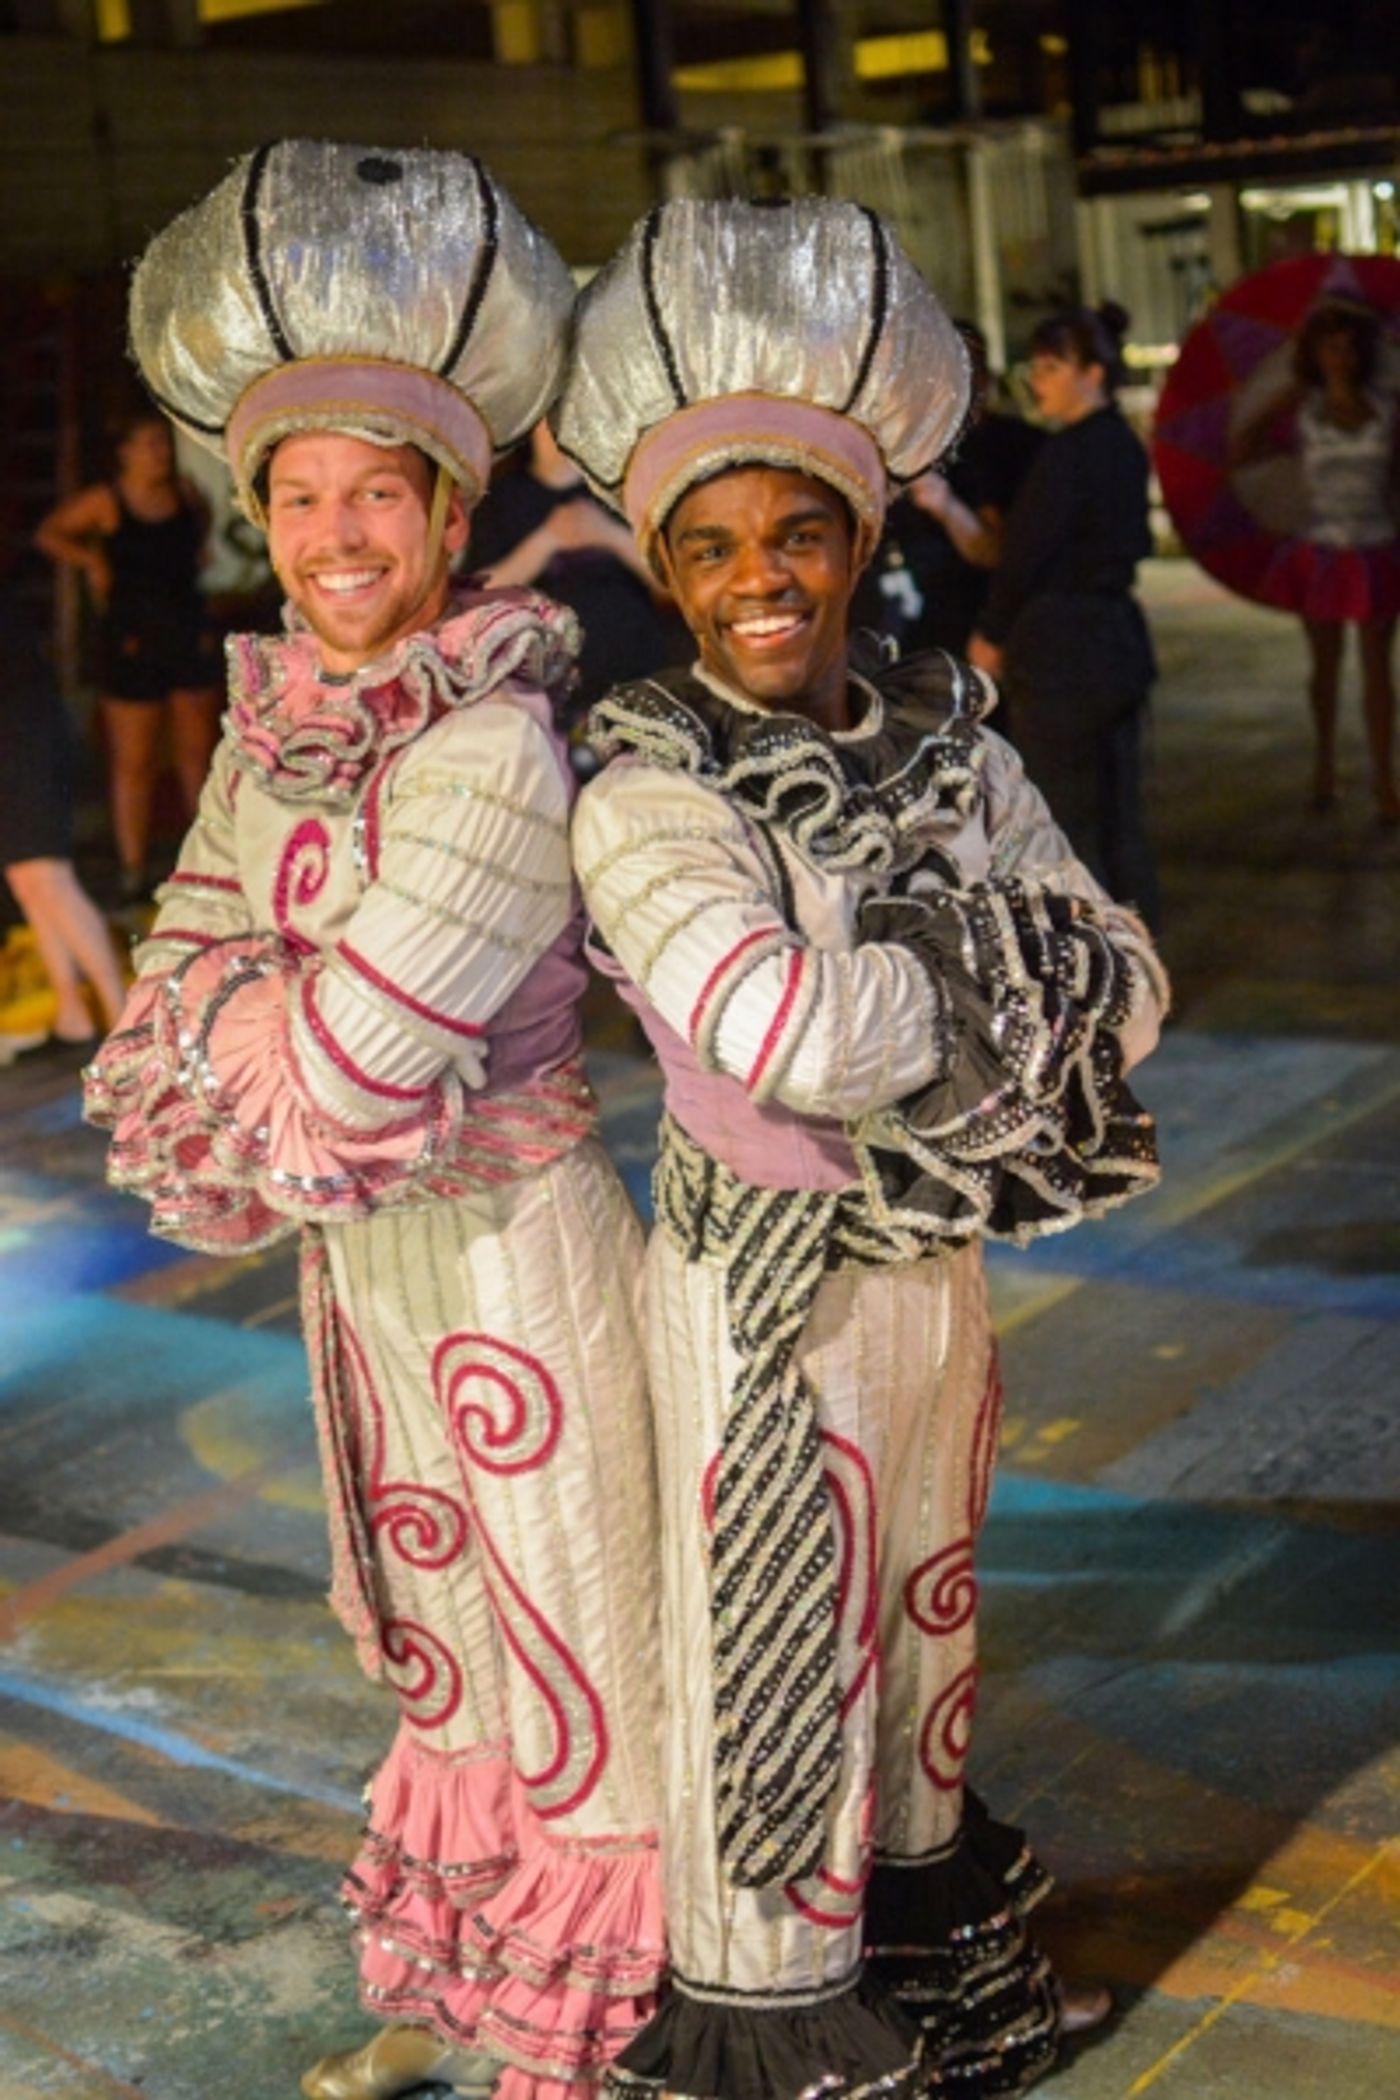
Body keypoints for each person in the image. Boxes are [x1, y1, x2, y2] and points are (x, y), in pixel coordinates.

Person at [556, 198, 1169, 2100]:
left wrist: (916, 967)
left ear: (862, 541)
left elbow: (1135, 978)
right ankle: (773, 2018)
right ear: (666, 571)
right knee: (772, 1668)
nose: (764, 579)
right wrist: (998, 960)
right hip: (760, 1299)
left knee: (922, 1634)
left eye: (798, 535)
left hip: (938, 1282)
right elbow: (777, 1037)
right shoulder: (646, 793)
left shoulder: (952, 742)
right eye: (716, 547)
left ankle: (920, 1973)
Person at [81, 141, 662, 2100]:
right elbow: (174, 993)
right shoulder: (275, 725)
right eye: (299, 495)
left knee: (577, 1641)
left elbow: (348, 1065)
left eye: (372, 494)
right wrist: (251, 999)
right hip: (364, 1284)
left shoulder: (494, 734)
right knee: (437, 1644)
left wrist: (255, 998)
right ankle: (474, 1984)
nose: (333, 532)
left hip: (517, 1262)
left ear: (445, 507)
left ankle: (577, 2036)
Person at [968, 303, 1161, 929]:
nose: (1039, 382)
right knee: (1116, 814)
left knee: (1068, 818)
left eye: (1052, 367)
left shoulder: (1071, 455)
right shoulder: (1117, 447)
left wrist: (993, 630)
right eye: (1036, 368)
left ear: (1092, 373)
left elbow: (1027, 554)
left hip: (1065, 653)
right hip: (1113, 645)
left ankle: (1100, 966)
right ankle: (1136, 955)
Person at [35, 407, 222, 902]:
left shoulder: (184, 493)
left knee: (196, 754)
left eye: (166, 443)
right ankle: (133, 869)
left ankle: (208, 864)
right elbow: (50, 533)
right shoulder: (107, 500)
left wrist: (199, 548)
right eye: (152, 444)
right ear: (127, 452)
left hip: (187, 632)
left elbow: (201, 529)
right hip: (132, 639)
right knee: (134, 761)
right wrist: (91, 558)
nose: (162, 453)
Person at [1232, 296, 1400, 822]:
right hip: (1323, 549)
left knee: (1379, 671)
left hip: (1376, 544)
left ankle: (1384, 781)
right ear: (1315, 354)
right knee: (1323, 668)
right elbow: (1242, 447)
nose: (1341, 358)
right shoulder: (1302, 413)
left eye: (1349, 348)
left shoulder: (1389, 410)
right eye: (1330, 349)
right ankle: (1324, 767)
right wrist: (1286, 391)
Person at [469, 420, 688, 742]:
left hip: (639, 684)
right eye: (553, 420)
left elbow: (676, 585)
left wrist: (609, 535)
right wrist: (547, 540)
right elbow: (477, 594)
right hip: (542, 700)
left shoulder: (622, 494)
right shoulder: (501, 500)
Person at [853, 321, 1043, 657]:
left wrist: (943, 504)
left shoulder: (993, 447)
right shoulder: (900, 442)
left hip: (969, 625)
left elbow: (995, 551)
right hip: (904, 625)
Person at [0, 585, 126, 1056]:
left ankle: (124, 1019)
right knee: (26, 880)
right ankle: (72, 1014)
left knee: (47, 876)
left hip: (23, 739)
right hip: (16, 737)